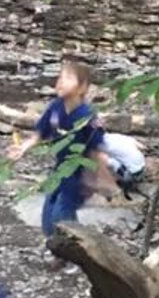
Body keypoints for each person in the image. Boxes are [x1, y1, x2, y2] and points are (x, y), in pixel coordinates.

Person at [7, 59, 114, 253]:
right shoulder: (55, 107)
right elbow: (41, 132)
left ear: (82, 88)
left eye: (68, 78)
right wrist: (23, 148)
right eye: (60, 77)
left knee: (62, 214)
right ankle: (56, 246)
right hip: (60, 169)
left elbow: (97, 150)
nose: (61, 81)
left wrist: (102, 179)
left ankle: (75, 252)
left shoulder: (88, 116)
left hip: (79, 174)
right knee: (48, 213)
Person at [98, 132, 146, 199]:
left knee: (101, 161)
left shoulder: (102, 145)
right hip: (141, 167)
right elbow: (142, 146)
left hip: (131, 175)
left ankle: (111, 187)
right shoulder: (116, 136)